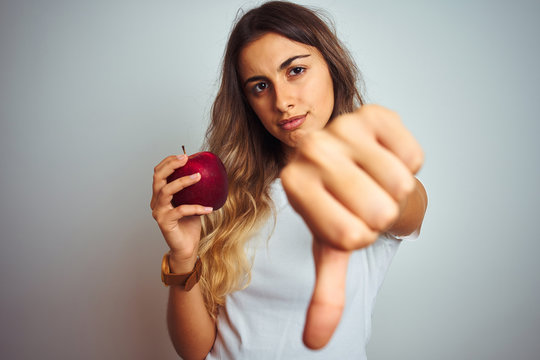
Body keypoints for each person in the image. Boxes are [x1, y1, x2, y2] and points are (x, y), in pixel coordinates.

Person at [150, 1, 428, 359]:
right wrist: (183, 255)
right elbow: (196, 352)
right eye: (261, 86)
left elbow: (409, 208)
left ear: (332, 67)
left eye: (295, 70)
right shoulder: (228, 196)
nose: (282, 101)